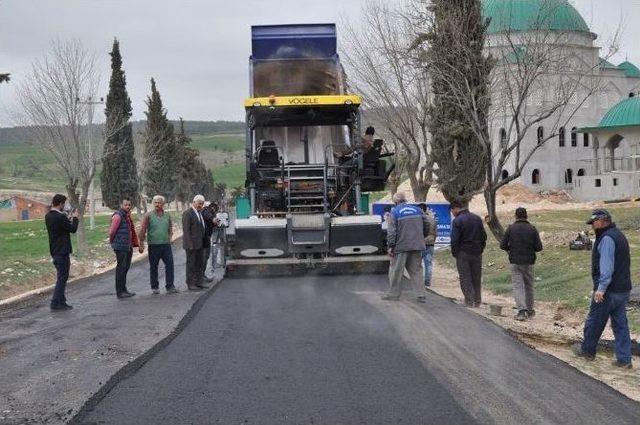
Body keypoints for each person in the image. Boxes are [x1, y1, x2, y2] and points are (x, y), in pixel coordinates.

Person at [574, 209, 633, 368]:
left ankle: (587, 351)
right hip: (623, 289)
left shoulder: (607, 239)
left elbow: (607, 268)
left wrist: (601, 289)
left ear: (603, 220)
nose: (593, 226)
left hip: (608, 291)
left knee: (595, 321)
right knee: (621, 325)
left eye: (594, 222)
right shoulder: (619, 235)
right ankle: (624, 359)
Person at [382, 191, 430, 303]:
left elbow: (392, 232)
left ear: (395, 202)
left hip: (401, 246)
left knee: (396, 271)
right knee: (416, 270)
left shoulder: (395, 212)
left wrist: (391, 246)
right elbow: (427, 224)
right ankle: (421, 295)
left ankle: (393, 294)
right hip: (417, 245)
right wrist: (422, 236)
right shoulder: (418, 210)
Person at [500, 207, 543, 321]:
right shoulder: (532, 229)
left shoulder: (511, 228)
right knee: (529, 286)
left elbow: (502, 245)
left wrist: (511, 248)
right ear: (526, 216)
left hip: (515, 262)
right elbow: (539, 247)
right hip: (529, 262)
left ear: (516, 216)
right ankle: (530, 310)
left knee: (518, 286)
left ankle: (521, 311)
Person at [450, 198, 487, 307]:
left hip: (463, 252)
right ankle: (477, 301)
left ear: (456, 208)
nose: (452, 213)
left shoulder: (457, 221)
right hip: (477, 252)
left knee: (465, 276)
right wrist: (480, 248)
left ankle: (469, 301)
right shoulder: (477, 218)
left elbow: (454, 239)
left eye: (452, 211)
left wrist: (455, 252)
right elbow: (484, 236)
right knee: (476, 276)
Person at [45, 194, 78, 311]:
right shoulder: (61, 217)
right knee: (62, 278)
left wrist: (67, 218)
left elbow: (62, 228)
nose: (64, 206)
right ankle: (55, 303)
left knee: (61, 277)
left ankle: (62, 301)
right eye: (64, 203)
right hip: (62, 251)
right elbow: (73, 229)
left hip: (54, 250)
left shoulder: (48, 216)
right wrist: (75, 217)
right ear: (60, 204)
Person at [138, 195, 176, 295]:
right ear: (153, 203)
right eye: (155, 202)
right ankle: (155, 287)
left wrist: (170, 238)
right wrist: (141, 244)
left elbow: (170, 228)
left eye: (159, 203)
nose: (157, 204)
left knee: (170, 265)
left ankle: (170, 286)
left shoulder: (167, 215)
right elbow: (142, 230)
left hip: (166, 245)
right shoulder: (148, 215)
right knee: (154, 266)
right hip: (153, 245)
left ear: (163, 204)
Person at [109, 198, 139, 299]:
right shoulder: (118, 216)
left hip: (127, 246)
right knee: (121, 269)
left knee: (125, 268)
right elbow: (112, 231)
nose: (128, 207)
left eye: (129, 205)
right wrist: (113, 242)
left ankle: (124, 289)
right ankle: (120, 292)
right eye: (126, 205)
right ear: (121, 205)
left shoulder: (127, 216)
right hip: (120, 246)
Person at [182, 194, 208, 291]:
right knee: (191, 264)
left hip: (200, 244)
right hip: (191, 245)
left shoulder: (199, 213)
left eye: (202, 204)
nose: (200, 205)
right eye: (198, 203)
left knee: (199, 264)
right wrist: (190, 244)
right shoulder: (187, 213)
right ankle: (191, 283)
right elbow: (186, 231)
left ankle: (199, 282)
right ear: (193, 202)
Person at [419, 204, 437, 288]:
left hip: (419, 245)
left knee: (417, 264)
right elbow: (436, 233)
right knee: (428, 264)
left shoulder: (418, 220)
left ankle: (418, 281)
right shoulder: (432, 220)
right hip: (430, 244)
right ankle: (427, 282)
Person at [201, 201, 219, 282]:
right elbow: (208, 216)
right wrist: (213, 219)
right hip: (203, 238)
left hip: (207, 237)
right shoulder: (206, 210)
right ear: (213, 207)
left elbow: (212, 223)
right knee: (204, 257)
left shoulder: (209, 211)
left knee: (206, 256)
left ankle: (202, 275)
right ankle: (201, 276)